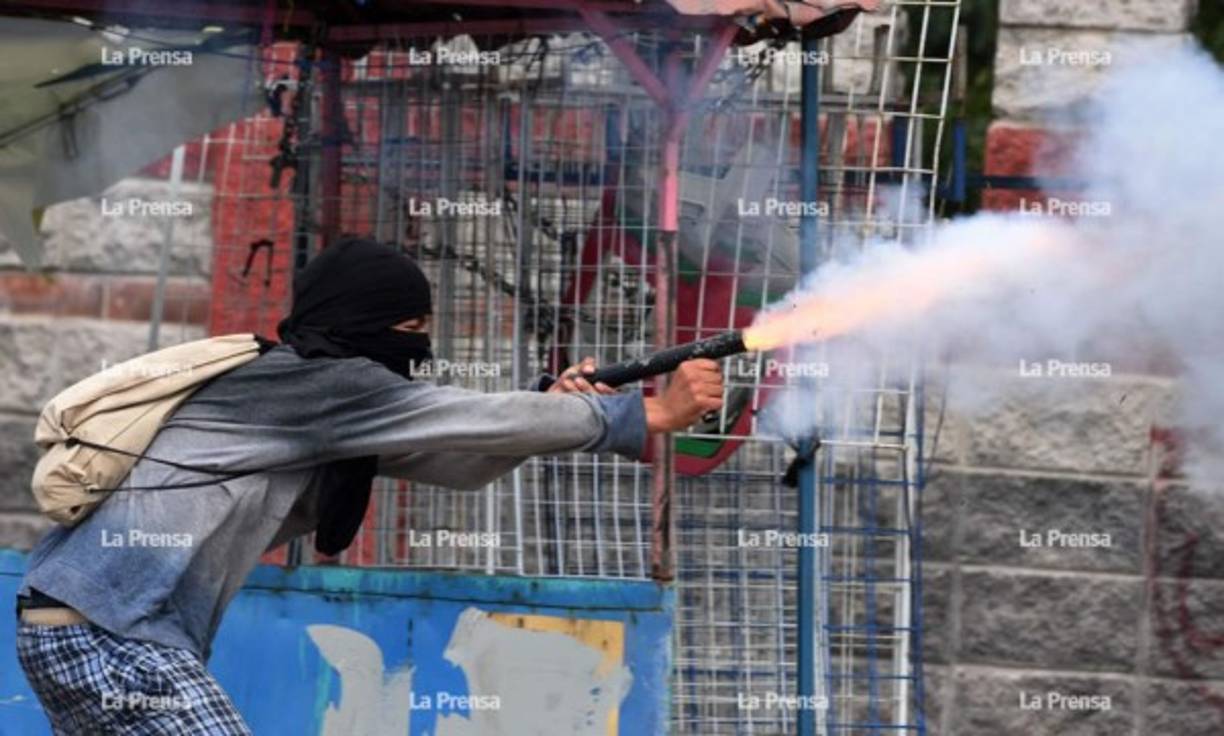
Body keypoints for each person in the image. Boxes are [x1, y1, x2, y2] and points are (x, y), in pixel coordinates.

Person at [14, 238, 724, 735]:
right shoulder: (315, 386)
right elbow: (466, 415)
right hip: (108, 631)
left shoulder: (329, 413)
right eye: (409, 328)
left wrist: (557, 402)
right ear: (359, 322)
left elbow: (460, 455)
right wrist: (645, 414)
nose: (417, 347)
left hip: (87, 626)